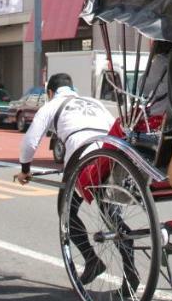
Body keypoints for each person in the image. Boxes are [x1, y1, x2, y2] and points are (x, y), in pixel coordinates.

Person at [14, 74, 121, 285]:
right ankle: (131, 273)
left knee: (66, 211)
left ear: (50, 92)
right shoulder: (94, 102)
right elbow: (116, 127)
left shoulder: (52, 105)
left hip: (82, 156)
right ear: (72, 88)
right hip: (111, 153)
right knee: (112, 214)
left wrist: (25, 169)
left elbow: (30, 142)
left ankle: (92, 260)